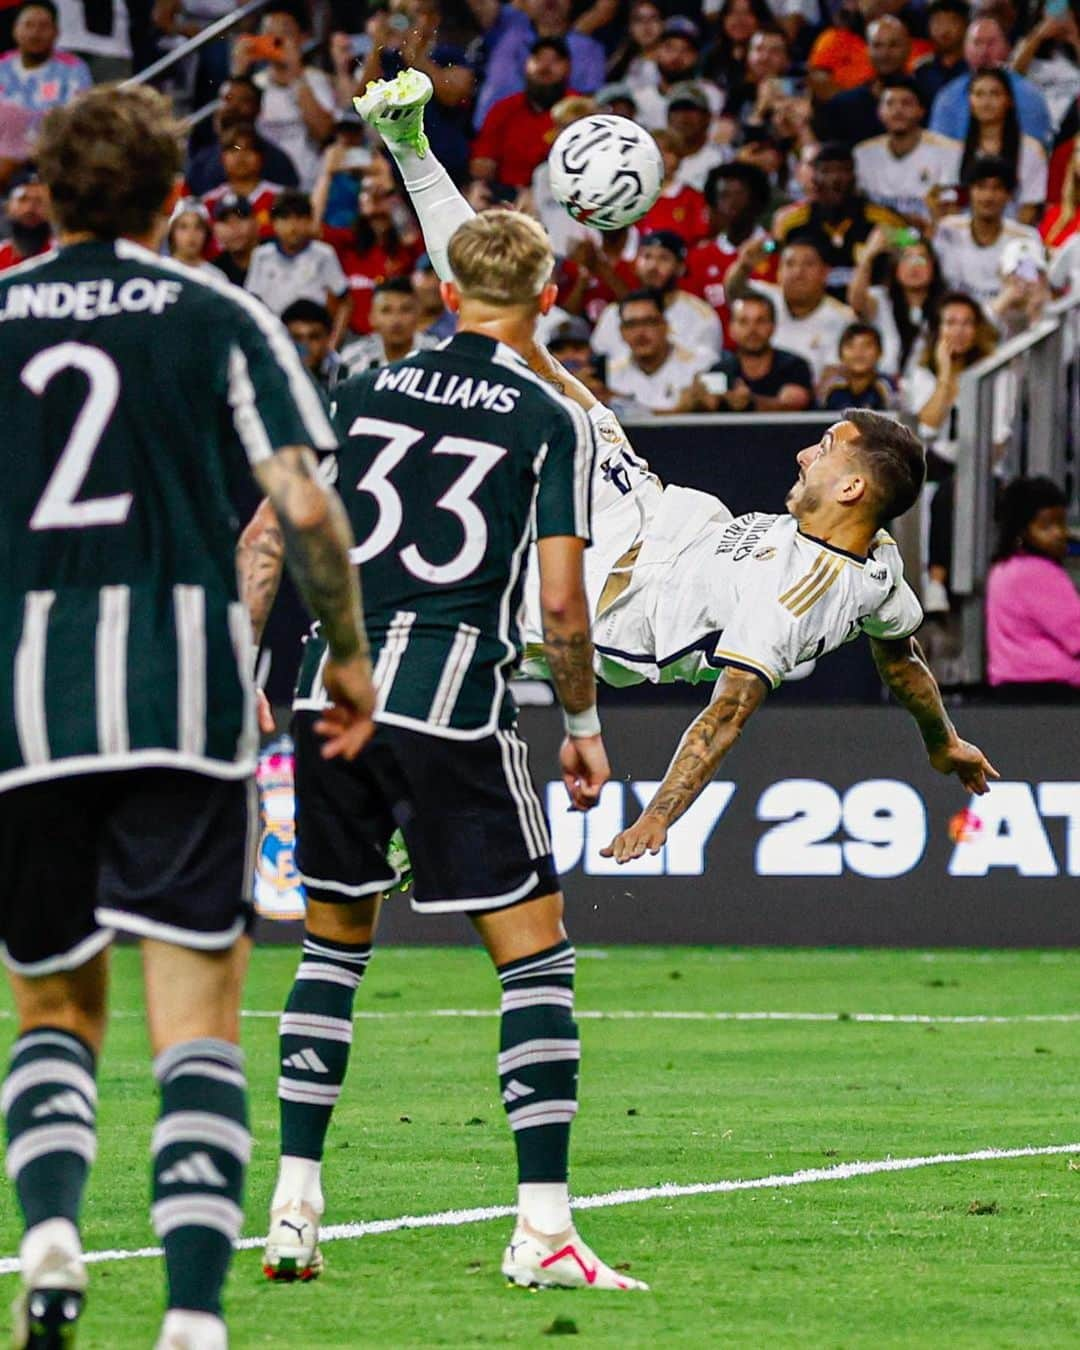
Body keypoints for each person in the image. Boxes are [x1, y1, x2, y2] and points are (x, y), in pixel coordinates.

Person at [353, 67, 998, 875]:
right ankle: (411, 144)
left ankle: (413, 814)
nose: (804, 451)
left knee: (440, 639)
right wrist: (945, 743)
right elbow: (901, 659)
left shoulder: (794, 597)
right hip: (637, 493)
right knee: (511, 330)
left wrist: (659, 814)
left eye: (824, 448)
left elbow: (726, 713)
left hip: (607, 600)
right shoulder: (880, 569)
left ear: (852, 488)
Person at [0, 82, 374, 1350]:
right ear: (175, 198)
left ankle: (51, 1234)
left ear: (42, 190)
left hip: (25, 712)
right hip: (185, 696)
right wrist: (351, 660)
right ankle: (195, 1319)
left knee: (51, 1007)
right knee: (197, 1016)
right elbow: (309, 511)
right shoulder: (219, 314)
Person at [244, 203, 648, 1294]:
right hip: (446, 700)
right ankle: (545, 1232)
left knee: (332, 950)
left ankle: (292, 1212)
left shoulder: (358, 387)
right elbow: (562, 606)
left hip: (329, 692)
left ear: (449, 294)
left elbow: (270, 530)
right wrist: (580, 727)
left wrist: (245, 667)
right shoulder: (545, 415)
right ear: (549, 300)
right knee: (537, 955)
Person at [986, 476, 1080, 695]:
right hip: (1052, 688)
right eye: (1047, 526)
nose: (1060, 533)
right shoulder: (1038, 573)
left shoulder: (1003, 569)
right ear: (1022, 530)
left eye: (1061, 523)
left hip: (1010, 685)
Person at [771, 142, 905, 296]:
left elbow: (914, 244)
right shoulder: (791, 222)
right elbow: (772, 250)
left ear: (854, 176)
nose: (835, 180)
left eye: (842, 170)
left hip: (869, 308)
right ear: (814, 178)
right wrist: (767, 245)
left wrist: (898, 238)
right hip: (810, 309)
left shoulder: (883, 219)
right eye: (826, 171)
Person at [231, 7, 337, 190]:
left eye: (284, 35)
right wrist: (238, 72)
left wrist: (295, 76)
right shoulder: (253, 85)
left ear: (302, 39)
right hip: (265, 186)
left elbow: (324, 132)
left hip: (308, 185)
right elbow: (230, 133)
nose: (276, 42)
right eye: (269, 35)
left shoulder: (316, 81)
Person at [728, 233, 858, 381]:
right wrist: (744, 265)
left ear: (825, 273)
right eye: (790, 264)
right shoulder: (767, 299)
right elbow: (734, 292)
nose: (798, 273)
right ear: (779, 273)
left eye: (808, 264)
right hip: (754, 391)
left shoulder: (842, 319)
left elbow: (833, 376)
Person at [590, 229, 722, 363]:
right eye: (647, 256)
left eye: (664, 258)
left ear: (680, 267)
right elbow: (598, 363)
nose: (653, 266)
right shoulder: (613, 314)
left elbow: (708, 369)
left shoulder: (701, 316)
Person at [323, 158, 422, 336]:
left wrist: (390, 187)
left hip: (399, 336)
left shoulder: (405, 247)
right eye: (368, 192)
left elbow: (410, 237)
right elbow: (314, 229)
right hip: (354, 340)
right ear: (359, 202)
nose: (376, 199)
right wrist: (326, 174)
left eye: (383, 194)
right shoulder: (347, 243)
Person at [932, 154, 1044, 309]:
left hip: (1007, 328)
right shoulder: (947, 230)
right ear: (970, 191)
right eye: (981, 187)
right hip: (956, 325)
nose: (988, 196)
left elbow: (1029, 295)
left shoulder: (1026, 239)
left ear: (1008, 195)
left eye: (997, 188)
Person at [472, 0, 605, 129]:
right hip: (494, 135)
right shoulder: (507, 24)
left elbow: (588, 108)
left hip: (556, 136)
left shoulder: (588, 48)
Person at [853, 78, 962, 231]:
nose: (898, 110)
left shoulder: (950, 151)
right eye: (890, 104)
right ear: (880, 112)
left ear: (921, 111)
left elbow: (949, 214)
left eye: (906, 103)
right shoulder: (862, 154)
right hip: (880, 237)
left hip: (930, 238)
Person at [245, 190, 352, 345]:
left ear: (310, 222)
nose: (293, 226)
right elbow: (252, 301)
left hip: (312, 340)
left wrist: (333, 343)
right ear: (273, 223)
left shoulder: (323, 254)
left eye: (300, 218)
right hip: (274, 339)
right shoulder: (261, 256)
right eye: (285, 218)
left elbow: (346, 302)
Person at [929, 15, 1052, 149]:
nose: (984, 51)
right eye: (977, 43)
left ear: (1007, 47)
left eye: (991, 43)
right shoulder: (948, 97)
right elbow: (938, 150)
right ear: (965, 50)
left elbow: (1036, 150)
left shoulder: (1030, 95)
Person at [679, 292, 815, 411]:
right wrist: (696, 402)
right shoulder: (719, 371)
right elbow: (705, 405)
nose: (752, 330)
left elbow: (792, 405)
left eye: (760, 321)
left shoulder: (794, 366)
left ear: (773, 327)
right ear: (731, 329)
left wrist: (751, 402)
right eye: (743, 322)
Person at [470, 36, 575, 190]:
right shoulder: (504, 108)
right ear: (526, 65)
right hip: (508, 195)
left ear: (568, 68)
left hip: (559, 196)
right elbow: (481, 162)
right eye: (538, 59)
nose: (545, 67)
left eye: (555, 61)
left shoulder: (579, 108)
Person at [683, 162, 773, 334]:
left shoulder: (774, 249)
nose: (732, 203)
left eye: (740, 194)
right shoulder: (698, 258)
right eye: (724, 195)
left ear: (756, 200)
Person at [848, 225, 945, 377]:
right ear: (895, 267)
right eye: (906, 258)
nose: (914, 267)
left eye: (921, 259)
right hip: (886, 386)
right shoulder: (880, 299)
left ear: (933, 267)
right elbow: (856, 302)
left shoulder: (946, 306)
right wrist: (868, 257)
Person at [957, 68, 1048, 226]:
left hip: (1013, 237)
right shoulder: (955, 150)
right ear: (970, 102)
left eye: (994, 94)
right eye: (979, 94)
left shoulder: (1031, 150)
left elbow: (1029, 207)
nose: (986, 102)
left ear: (1009, 100)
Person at [184, 76, 299, 196]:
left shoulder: (278, 161)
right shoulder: (201, 162)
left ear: (258, 109)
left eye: (244, 101)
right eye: (227, 99)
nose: (233, 107)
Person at [605, 288, 713, 412]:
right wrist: (681, 410)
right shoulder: (611, 376)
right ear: (621, 332)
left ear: (665, 326)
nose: (640, 333)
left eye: (649, 322)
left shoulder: (698, 368)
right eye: (632, 325)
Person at [818, 15, 915, 147]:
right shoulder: (843, 105)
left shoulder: (927, 97)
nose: (885, 54)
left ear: (908, 48)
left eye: (894, 45)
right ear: (867, 50)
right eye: (877, 45)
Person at [0, 0, 89, 115]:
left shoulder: (74, 68)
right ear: (14, 30)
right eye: (28, 25)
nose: (35, 33)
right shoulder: (2, 65)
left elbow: (77, 116)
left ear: (56, 32)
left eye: (44, 26)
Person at [201, 122, 284, 241]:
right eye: (233, 149)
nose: (241, 156)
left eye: (249, 149)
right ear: (222, 158)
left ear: (260, 157)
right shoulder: (207, 203)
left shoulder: (280, 198)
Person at [339, 275, 435, 372]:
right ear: (372, 318)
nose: (396, 320)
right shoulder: (352, 358)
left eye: (405, 310)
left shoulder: (436, 353)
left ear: (418, 315)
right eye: (386, 311)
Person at [636, 127, 711, 247]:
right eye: (657, 151)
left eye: (669, 152)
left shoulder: (693, 198)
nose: (662, 157)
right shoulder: (635, 196)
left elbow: (700, 241)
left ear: (679, 157)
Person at [818, 322, 894, 408]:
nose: (858, 353)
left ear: (880, 352)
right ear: (840, 354)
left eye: (867, 345)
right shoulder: (831, 388)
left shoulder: (887, 387)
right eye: (850, 346)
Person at [912, 0, 969, 108]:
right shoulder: (921, 70)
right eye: (938, 21)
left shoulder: (973, 68)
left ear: (965, 25)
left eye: (952, 21)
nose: (944, 29)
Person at [282, 297, 345, 394]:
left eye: (314, 337)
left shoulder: (346, 374)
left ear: (328, 338)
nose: (305, 346)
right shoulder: (272, 376)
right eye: (297, 338)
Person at [0, 176, 51, 270]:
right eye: (23, 199)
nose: (30, 208)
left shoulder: (63, 254)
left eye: (39, 200)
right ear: (7, 207)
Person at [166, 196, 212, 268]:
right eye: (183, 227)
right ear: (172, 231)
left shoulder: (216, 276)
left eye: (198, 227)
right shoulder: (160, 270)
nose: (191, 234)